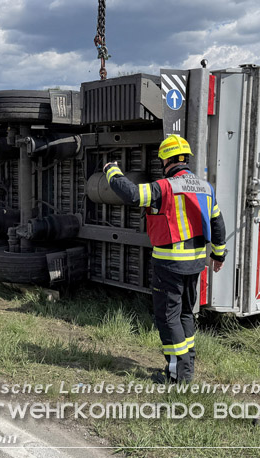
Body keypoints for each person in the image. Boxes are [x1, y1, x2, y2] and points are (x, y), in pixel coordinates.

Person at [103, 135, 226, 383]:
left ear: (167, 160)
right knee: (185, 315)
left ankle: (177, 376)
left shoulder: (165, 187)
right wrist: (219, 254)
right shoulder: (206, 188)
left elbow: (132, 194)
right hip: (196, 264)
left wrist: (111, 171)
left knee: (168, 317)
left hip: (169, 264)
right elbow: (218, 223)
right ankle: (187, 368)